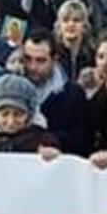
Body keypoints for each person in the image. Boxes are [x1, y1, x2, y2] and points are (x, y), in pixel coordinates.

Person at [22, 29, 92, 157]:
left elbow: (81, 142)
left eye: (40, 60)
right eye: (28, 59)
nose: (32, 67)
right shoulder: (11, 87)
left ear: (54, 60)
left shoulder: (73, 94)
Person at [54, 0, 95, 84]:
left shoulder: (93, 55)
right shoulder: (52, 54)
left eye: (76, 20)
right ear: (59, 26)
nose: (71, 24)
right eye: (65, 20)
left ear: (85, 26)